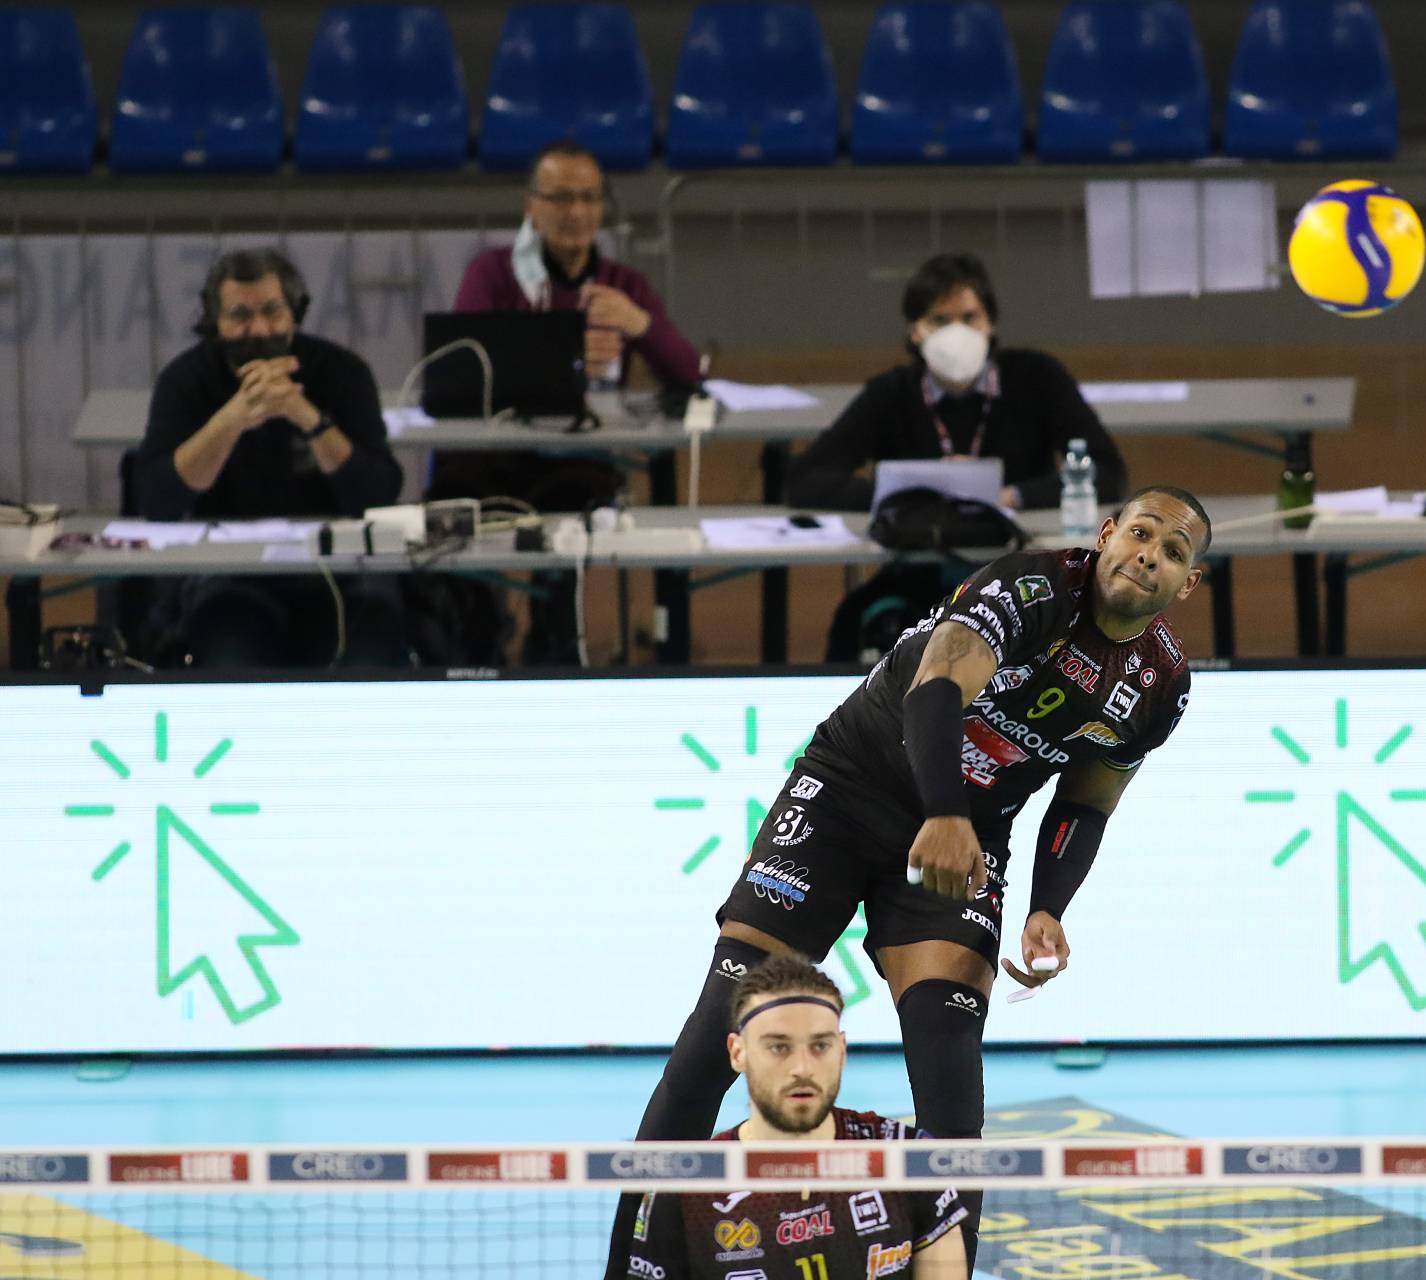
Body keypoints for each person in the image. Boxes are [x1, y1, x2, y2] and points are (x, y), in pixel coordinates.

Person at [622, 488, 1205, 1222]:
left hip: (966, 836)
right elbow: (935, 687)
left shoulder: (1161, 685)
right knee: (716, 1038)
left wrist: (1048, 907)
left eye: (1172, 552)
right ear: (1107, 533)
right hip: (848, 791)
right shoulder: (1029, 586)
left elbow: (1087, 802)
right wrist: (945, 813)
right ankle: (633, 1260)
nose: (1149, 555)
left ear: (1187, 583)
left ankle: (945, 1265)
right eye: (1141, 534)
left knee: (952, 1095)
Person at [432, 139, 703, 663]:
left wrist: (641, 325)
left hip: (577, 460)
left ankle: (556, 649)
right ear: (531, 206)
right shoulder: (493, 274)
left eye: (588, 198)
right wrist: (564, 357)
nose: (575, 212)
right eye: (560, 198)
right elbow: (461, 366)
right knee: (449, 509)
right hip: (492, 456)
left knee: (576, 513)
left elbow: (688, 374)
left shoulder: (622, 285)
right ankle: (473, 646)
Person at [790, 252, 1129, 657]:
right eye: (939, 320)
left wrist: (1012, 496)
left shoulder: (1036, 377)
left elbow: (1107, 471)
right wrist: (906, 497)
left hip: (1021, 572)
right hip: (921, 571)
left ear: (991, 324)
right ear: (915, 331)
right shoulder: (892, 393)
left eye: (969, 318)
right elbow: (806, 479)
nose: (957, 334)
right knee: (855, 621)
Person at [604, 955, 968, 1280]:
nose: (802, 1068)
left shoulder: (907, 1161)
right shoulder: (685, 1193)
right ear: (738, 1052)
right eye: (779, 1047)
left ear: (842, 1050)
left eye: (820, 1046)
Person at [135, 248, 411, 668]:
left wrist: (306, 417)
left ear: (294, 312)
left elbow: (378, 494)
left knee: (368, 656)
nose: (259, 329)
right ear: (215, 321)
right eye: (240, 316)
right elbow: (157, 500)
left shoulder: (342, 372)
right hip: (224, 573)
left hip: (340, 569)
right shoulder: (185, 380)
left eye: (272, 311)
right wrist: (232, 418)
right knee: (231, 658)